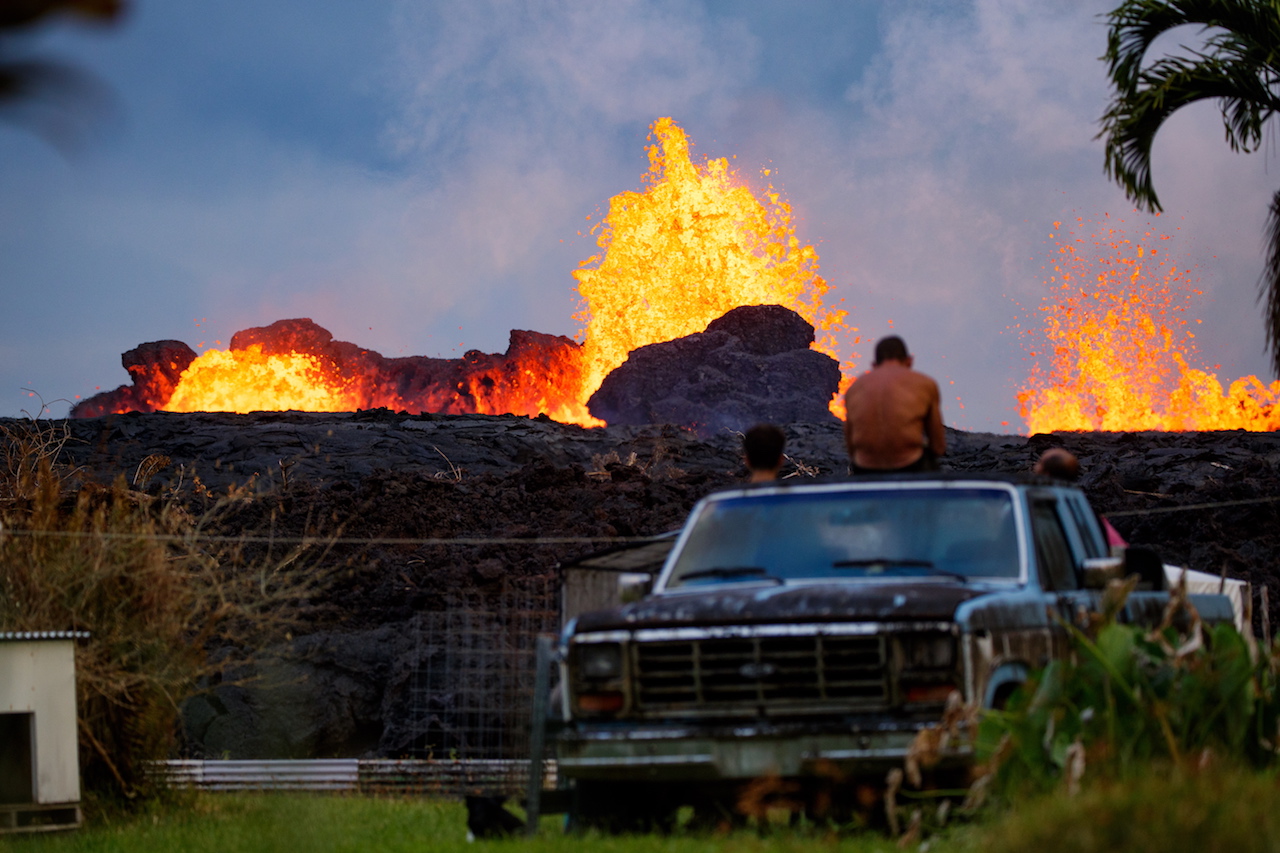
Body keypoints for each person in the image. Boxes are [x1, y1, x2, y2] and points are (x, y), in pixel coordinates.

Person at [843, 336, 946, 474]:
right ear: (909, 361)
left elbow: (851, 447)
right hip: (910, 465)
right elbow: (938, 446)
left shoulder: (854, 388)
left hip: (865, 469)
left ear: (874, 365)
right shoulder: (925, 383)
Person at [1034, 447, 1128, 549]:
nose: (1035, 466)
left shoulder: (1030, 509)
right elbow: (1119, 548)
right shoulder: (1085, 514)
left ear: (1046, 473)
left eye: (1039, 463)